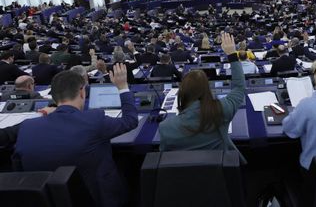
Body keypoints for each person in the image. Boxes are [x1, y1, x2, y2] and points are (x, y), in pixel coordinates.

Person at [5, 64, 138, 207]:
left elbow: (20, 171)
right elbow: (130, 121)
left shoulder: (26, 128)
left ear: (54, 97)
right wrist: (123, 87)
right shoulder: (94, 120)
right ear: (82, 93)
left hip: (46, 200)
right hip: (97, 198)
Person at [157, 33, 245, 161]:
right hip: (221, 172)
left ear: (182, 92)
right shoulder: (222, 110)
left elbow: (165, 158)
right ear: (207, 89)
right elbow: (239, 87)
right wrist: (232, 54)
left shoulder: (165, 128)